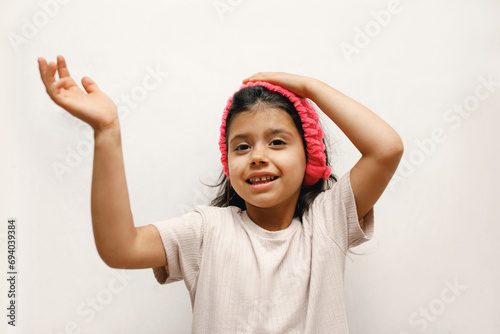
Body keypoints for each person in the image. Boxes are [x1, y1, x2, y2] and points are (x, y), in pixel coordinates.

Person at [38, 55, 404, 333]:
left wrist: (309, 88)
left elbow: (386, 149)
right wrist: (106, 131)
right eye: (241, 147)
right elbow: (121, 248)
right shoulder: (207, 231)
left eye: (277, 142)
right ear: (228, 163)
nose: (258, 156)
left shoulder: (328, 222)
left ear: (310, 155)